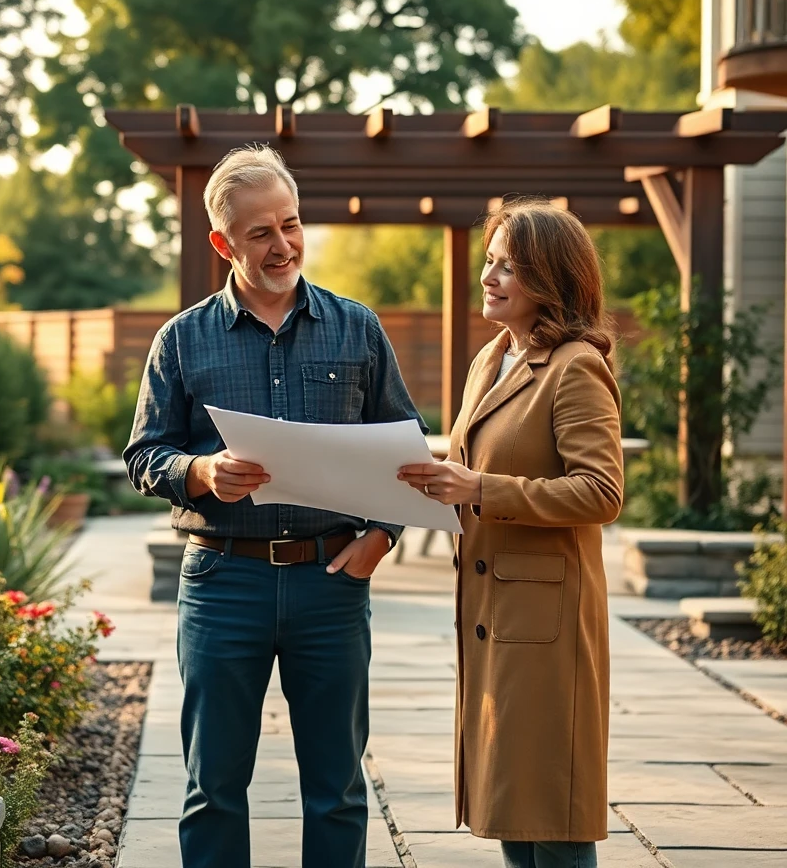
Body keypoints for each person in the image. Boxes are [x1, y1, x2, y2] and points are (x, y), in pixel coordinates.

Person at [124, 144, 426, 868]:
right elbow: (144, 457)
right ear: (223, 243)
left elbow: (406, 455)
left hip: (332, 584)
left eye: (290, 224)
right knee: (214, 788)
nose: (282, 244)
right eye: (260, 233)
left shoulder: (357, 329)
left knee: (337, 788)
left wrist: (379, 539)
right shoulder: (181, 340)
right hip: (224, 584)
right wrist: (200, 472)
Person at [398, 200, 623, 868]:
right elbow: (479, 466)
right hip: (492, 613)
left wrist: (480, 490)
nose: (489, 278)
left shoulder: (575, 365)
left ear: (549, 279)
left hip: (547, 622)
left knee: (552, 810)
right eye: (489, 262)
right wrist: (438, 480)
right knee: (511, 805)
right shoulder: (491, 358)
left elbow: (602, 492)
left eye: (509, 268)